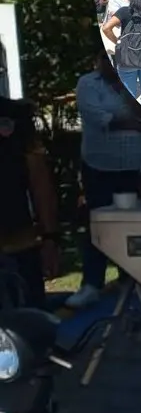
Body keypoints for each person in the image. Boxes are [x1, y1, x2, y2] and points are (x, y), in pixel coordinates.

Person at [67, 52, 141, 309]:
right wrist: (134, 122)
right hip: (99, 167)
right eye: (106, 58)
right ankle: (92, 284)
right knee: (98, 224)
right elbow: (101, 120)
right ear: (97, 60)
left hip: (137, 166)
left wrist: (129, 91)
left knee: (138, 226)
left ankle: (135, 280)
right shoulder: (87, 84)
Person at [0, 95, 59, 310]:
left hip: (17, 247)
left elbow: (40, 183)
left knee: (30, 331)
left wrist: (50, 239)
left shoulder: (15, 117)